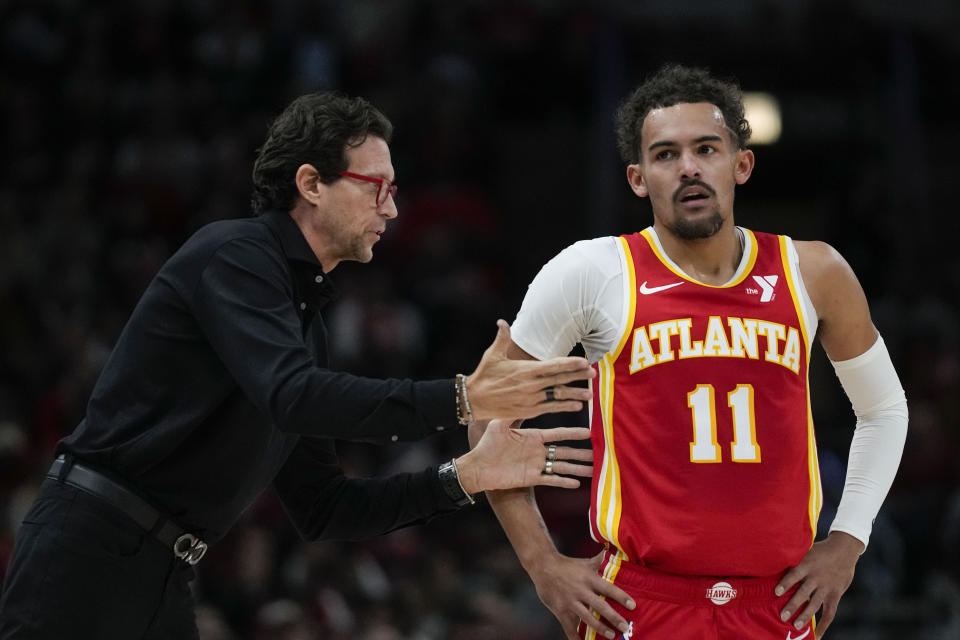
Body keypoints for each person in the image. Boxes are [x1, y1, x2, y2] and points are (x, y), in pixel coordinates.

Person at [0, 92, 597, 639]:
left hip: (167, 568)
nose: (392, 210)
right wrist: (463, 398)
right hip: (89, 547)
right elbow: (294, 396)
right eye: (377, 187)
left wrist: (465, 476)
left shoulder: (304, 323)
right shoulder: (234, 255)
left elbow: (324, 509)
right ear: (311, 183)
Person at [479, 64, 908, 640]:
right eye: (664, 155)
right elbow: (488, 417)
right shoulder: (591, 271)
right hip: (637, 599)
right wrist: (542, 564)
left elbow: (885, 412)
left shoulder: (815, 270)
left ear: (741, 164)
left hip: (775, 600)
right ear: (637, 178)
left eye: (706, 148)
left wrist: (849, 541)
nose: (688, 168)